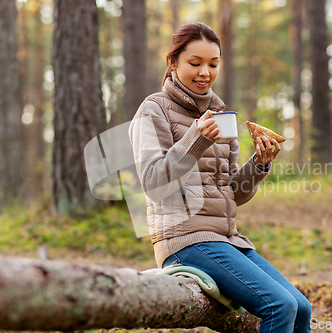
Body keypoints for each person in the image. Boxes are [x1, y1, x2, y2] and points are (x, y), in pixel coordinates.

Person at [129, 22, 311, 333]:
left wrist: (259, 164)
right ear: (173, 63)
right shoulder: (154, 109)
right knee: (278, 306)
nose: (205, 73)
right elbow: (154, 183)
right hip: (184, 240)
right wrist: (196, 138)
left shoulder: (222, 117)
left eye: (213, 64)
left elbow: (230, 193)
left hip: (227, 238)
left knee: (301, 308)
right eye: (195, 63)